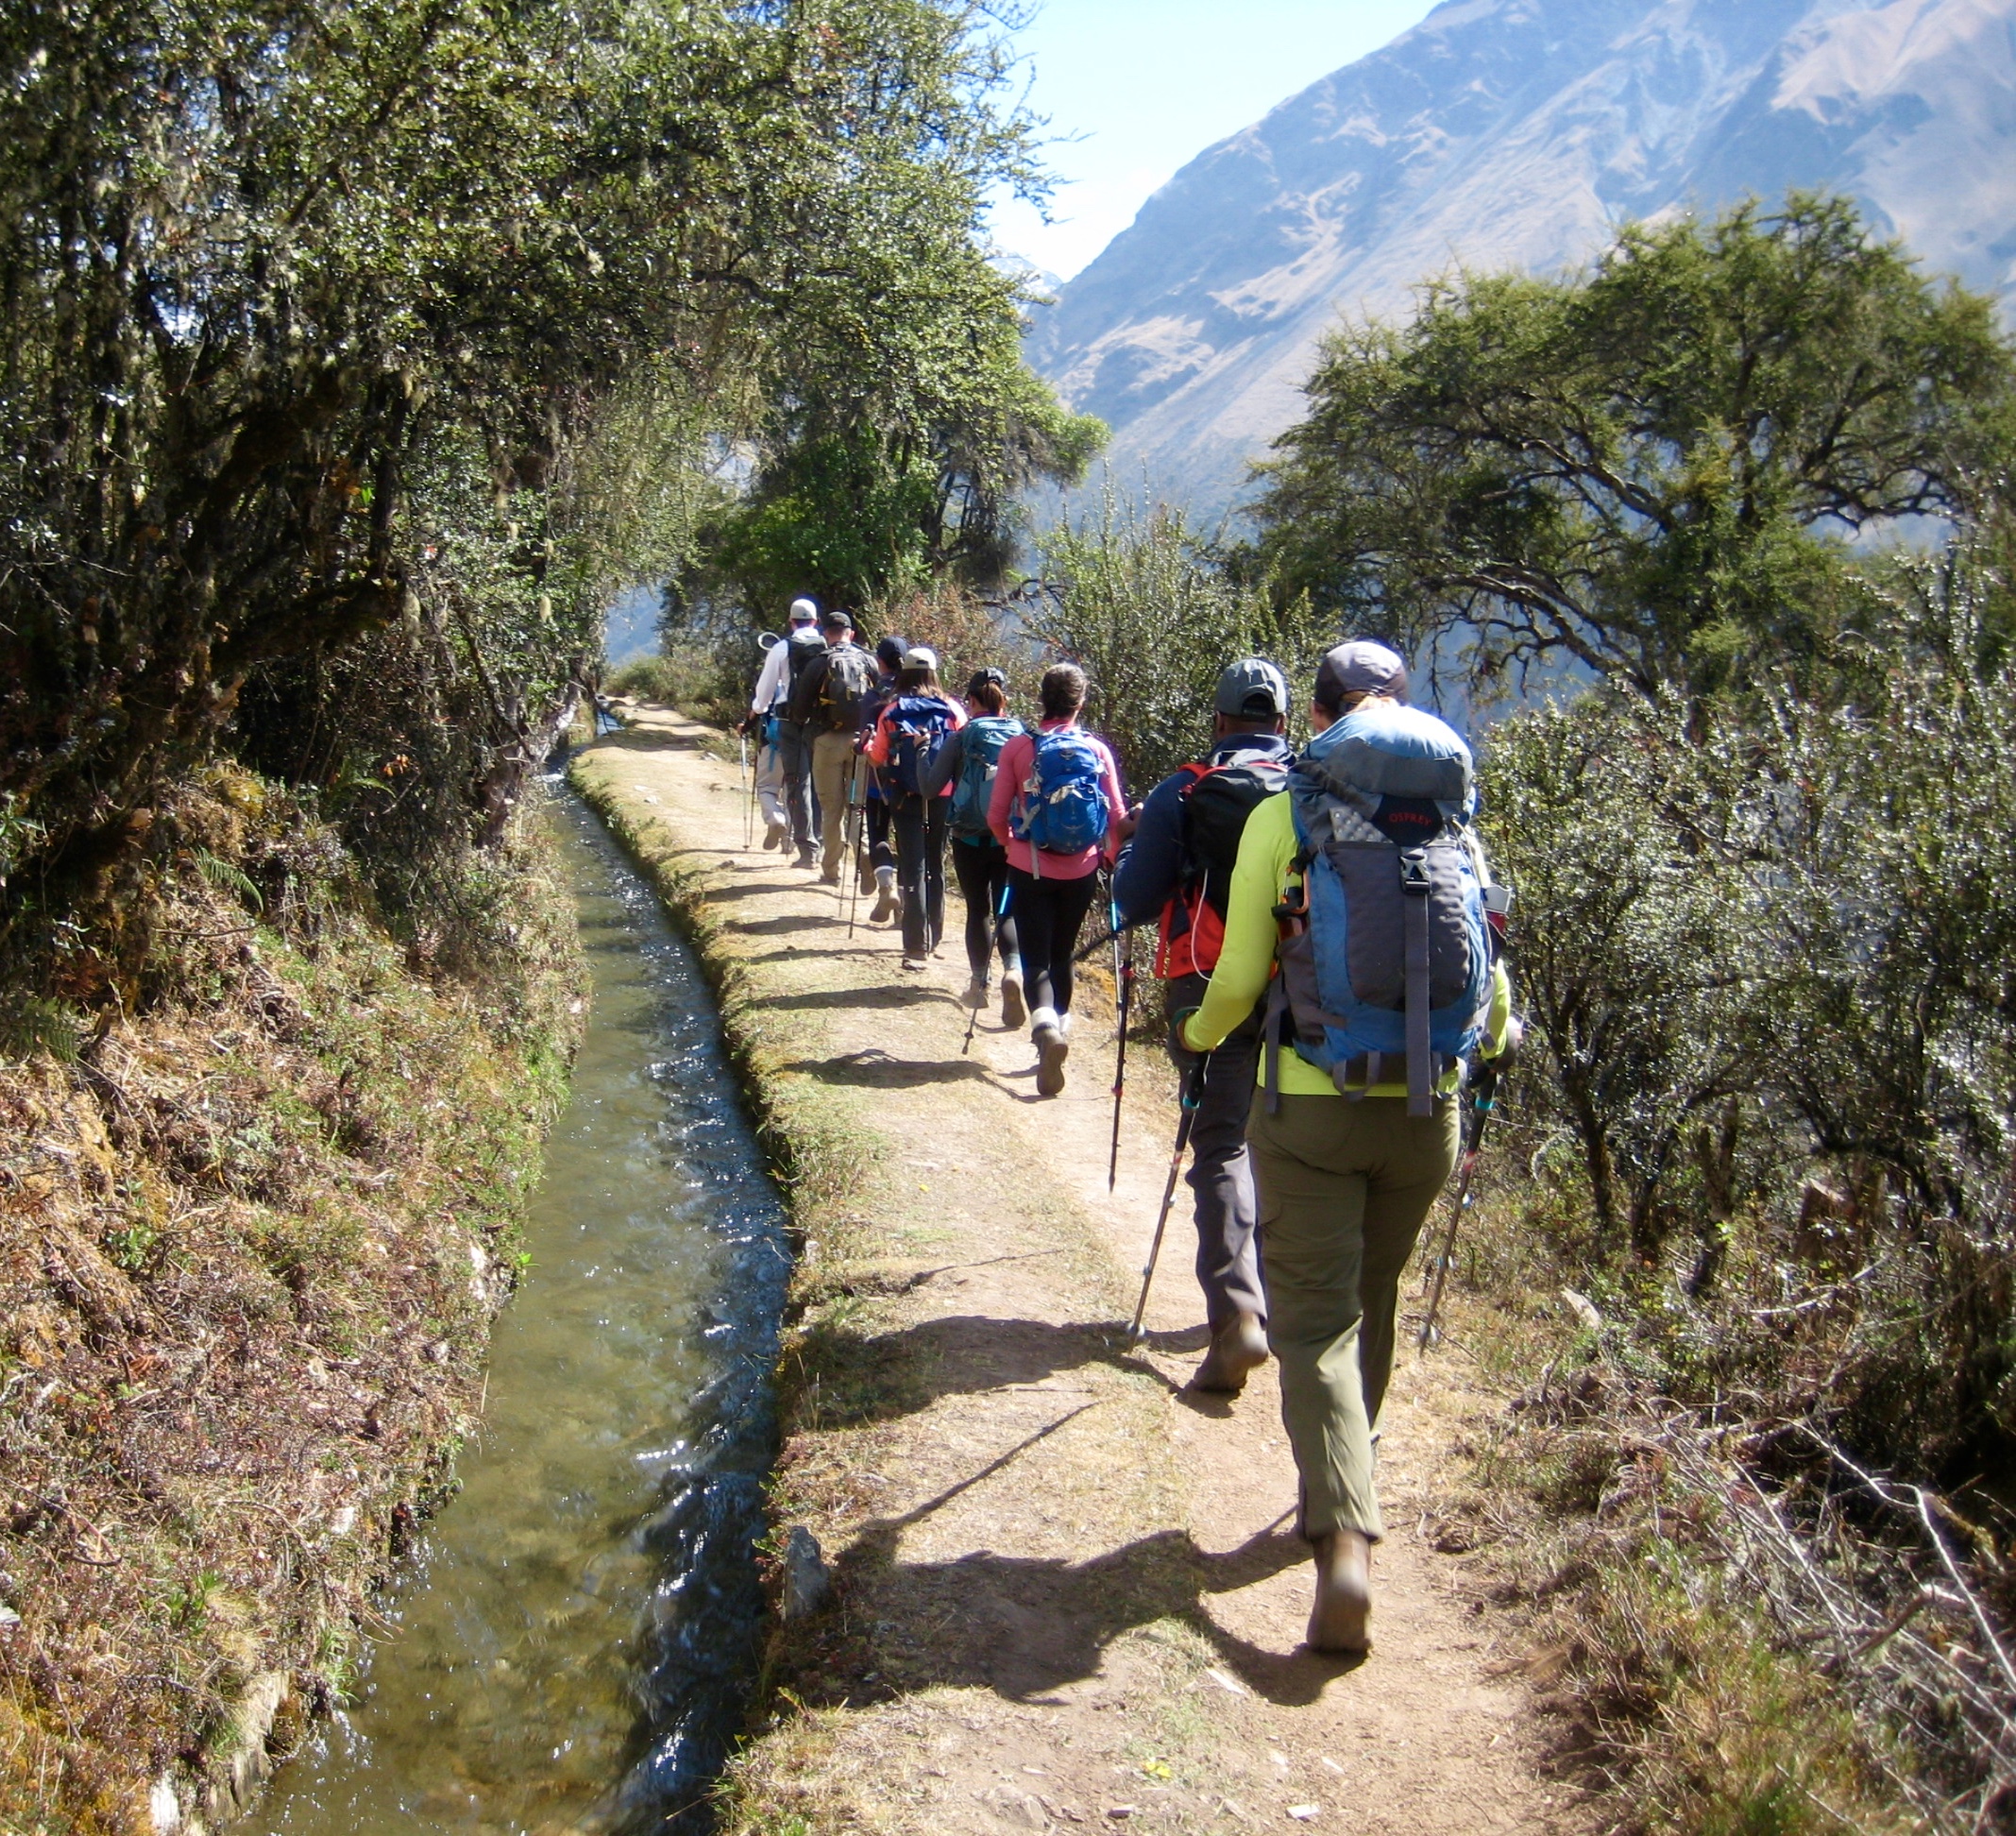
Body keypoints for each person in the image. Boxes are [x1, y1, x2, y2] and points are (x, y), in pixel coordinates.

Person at [1177, 639, 1516, 1655]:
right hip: (1429, 1112)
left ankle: (1342, 1543)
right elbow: (1495, 999)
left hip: (1309, 1105)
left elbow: (1238, 978)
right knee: (1374, 1299)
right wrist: (1476, 1062)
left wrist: (1197, 1038)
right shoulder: (1454, 824)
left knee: (1314, 1319)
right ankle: (1345, 1479)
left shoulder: (1287, 814)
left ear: (1317, 716)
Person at [1113, 657, 1292, 1396]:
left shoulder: (1181, 790)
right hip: (1302, 985)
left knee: (1219, 1145)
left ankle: (1236, 1318)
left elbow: (1134, 896)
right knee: (1284, 1143)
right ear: (1282, 723)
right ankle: (1280, 1306)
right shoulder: (1314, 790)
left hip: (1205, 979)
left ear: (1218, 721)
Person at [987, 663, 1127, 1096]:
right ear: (1080, 702)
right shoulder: (1097, 750)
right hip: (1082, 868)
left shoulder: (1018, 748)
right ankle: (1059, 1028)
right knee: (1063, 951)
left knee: (1036, 958)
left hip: (1029, 866)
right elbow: (1118, 819)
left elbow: (995, 816)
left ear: (1041, 698)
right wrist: (1106, 853)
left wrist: (1011, 843)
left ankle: (1045, 1027)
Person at [923, 667, 1026, 1021]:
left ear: (970, 700)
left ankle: (979, 983)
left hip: (968, 835)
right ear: (1003, 698)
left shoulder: (961, 736)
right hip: (1009, 838)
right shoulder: (1022, 736)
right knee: (1006, 910)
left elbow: (930, 787)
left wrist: (923, 753)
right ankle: (1014, 969)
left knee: (977, 909)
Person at [864, 647, 964, 970]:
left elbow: (878, 757)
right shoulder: (952, 710)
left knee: (913, 866)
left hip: (904, 796)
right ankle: (934, 938)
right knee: (935, 863)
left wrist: (865, 747)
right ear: (935, 673)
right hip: (943, 795)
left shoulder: (891, 711)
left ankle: (915, 947)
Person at [788, 608, 875, 884]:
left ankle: (831, 871)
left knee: (831, 809)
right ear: (851, 633)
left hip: (827, 742)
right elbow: (884, 696)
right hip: (861, 743)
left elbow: (799, 711)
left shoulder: (818, 662)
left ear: (826, 633)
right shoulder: (868, 660)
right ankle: (865, 856)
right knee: (857, 807)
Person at [740, 599, 819, 849]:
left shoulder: (782, 648)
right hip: (820, 727)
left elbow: (763, 696)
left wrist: (752, 718)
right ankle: (799, 842)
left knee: (773, 784)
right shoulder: (827, 647)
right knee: (804, 785)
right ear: (815, 621)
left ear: (791, 621)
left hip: (787, 723)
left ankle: (776, 819)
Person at [855, 635, 908, 922]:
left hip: (879, 781)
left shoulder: (874, 696)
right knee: (908, 842)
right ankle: (904, 911)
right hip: (913, 784)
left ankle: (887, 888)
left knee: (878, 836)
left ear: (880, 661)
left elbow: (864, 741)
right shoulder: (918, 694)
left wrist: (859, 746)